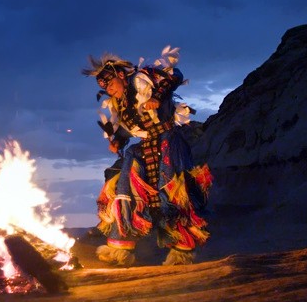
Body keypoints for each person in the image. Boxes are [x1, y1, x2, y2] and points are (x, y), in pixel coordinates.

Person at [82, 46, 211, 266]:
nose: (109, 90)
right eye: (105, 88)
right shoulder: (120, 104)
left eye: (110, 84)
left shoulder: (144, 77)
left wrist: (158, 97)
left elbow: (175, 74)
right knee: (125, 189)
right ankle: (120, 250)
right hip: (144, 147)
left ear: (121, 75)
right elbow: (127, 128)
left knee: (172, 192)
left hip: (168, 142)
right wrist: (118, 142)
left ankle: (181, 251)